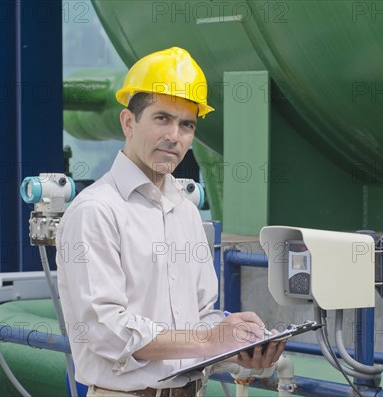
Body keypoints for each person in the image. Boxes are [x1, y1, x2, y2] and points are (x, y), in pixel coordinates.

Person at [56, 47, 285, 396]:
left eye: (187, 125)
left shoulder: (185, 211)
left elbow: (200, 317)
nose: (174, 137)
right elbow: (106, 331)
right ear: (128, 123)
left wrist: (234, 345)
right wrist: (208, 338)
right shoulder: (96, 211)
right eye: (162, 118)